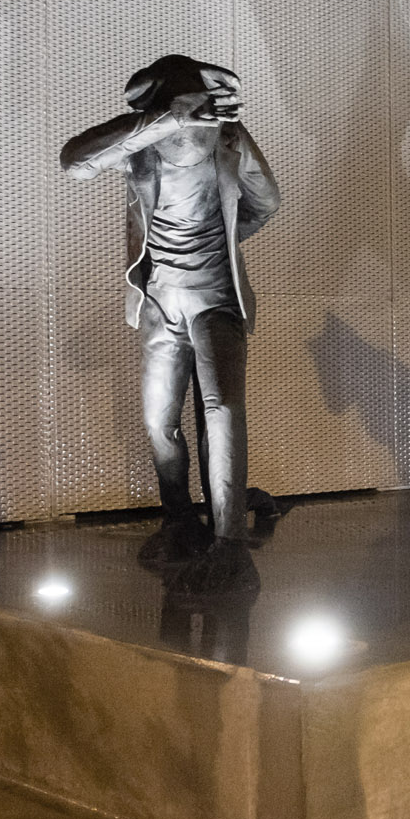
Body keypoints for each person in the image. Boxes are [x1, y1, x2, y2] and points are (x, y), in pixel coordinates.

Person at [59, 54, 280, 592]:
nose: (194, 124)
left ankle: (229, 544)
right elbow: (75, 162)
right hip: (160, 302)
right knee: (160, 421)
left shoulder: (230, 138)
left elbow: (266, 201)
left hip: (217, 298)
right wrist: (164, 123)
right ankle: (178, 520)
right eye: (183, 110)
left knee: (221, 412)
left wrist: (221, 241)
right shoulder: (142, 143)